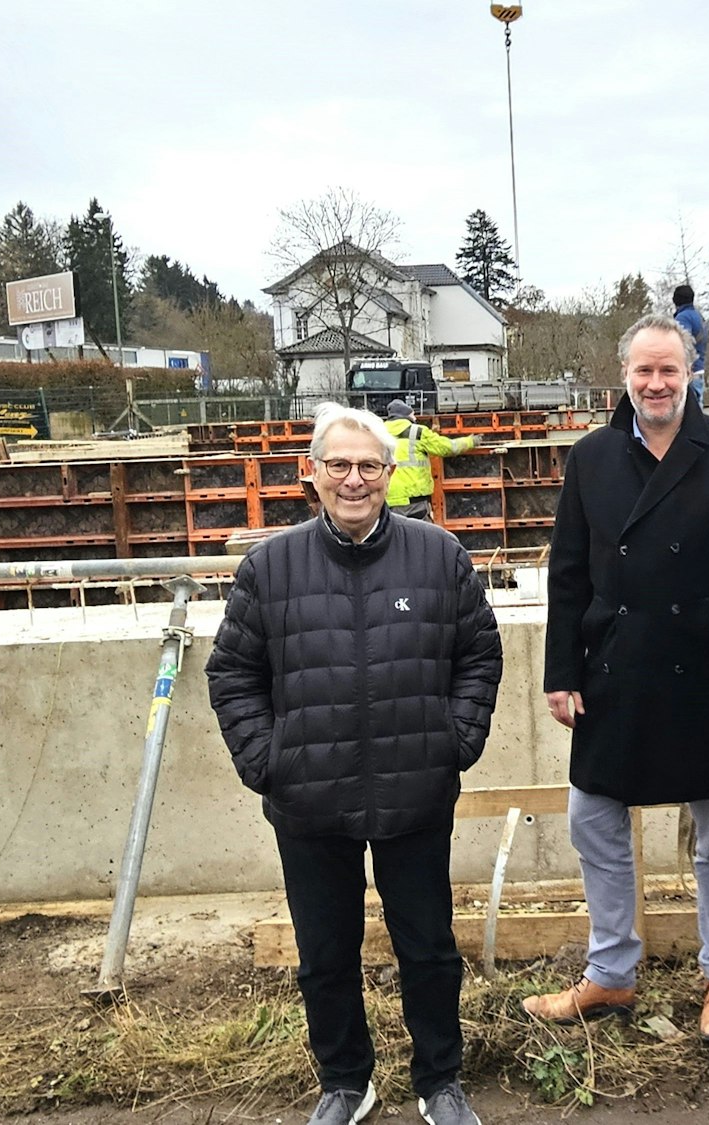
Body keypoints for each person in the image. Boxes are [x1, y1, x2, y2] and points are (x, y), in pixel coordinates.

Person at [206, 402, 503, 1125]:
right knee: (325, 954)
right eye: (337, 464)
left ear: (392, 473)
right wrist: (267, 759)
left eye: (369, 465)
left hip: (415, 790)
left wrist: (451, 741)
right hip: (310, 799)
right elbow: (232, 673)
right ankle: (346, 1080)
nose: (353, 479)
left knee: (429, 949)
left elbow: (479, 656)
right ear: (311, 473)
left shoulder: (439, 556)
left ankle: (440, 1081)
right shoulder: (270, 567)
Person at [524, 312, 709, 1041]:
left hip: (705, 665)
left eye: (670, 369)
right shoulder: (592, 456)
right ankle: (611, 973)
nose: (656, 383)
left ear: (692, 371)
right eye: (643, 371)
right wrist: (560, 671)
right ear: (623, 376)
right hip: (615, 666)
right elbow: (568, 572)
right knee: (593, 818)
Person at [383, 398, 479, 521]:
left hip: (387, 501)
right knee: (422, 537)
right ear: (406, 415)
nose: (415, 418)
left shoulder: (378, 434)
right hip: (415, 503)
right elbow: (448, 447)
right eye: (413, 414)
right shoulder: (417, 432)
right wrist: (471, 441)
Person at [673, 283, 709, 405]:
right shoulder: (698, 316)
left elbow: (682, 343)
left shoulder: (683, 317)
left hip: (689, 372)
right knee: (697, 412)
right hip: (698, 369)